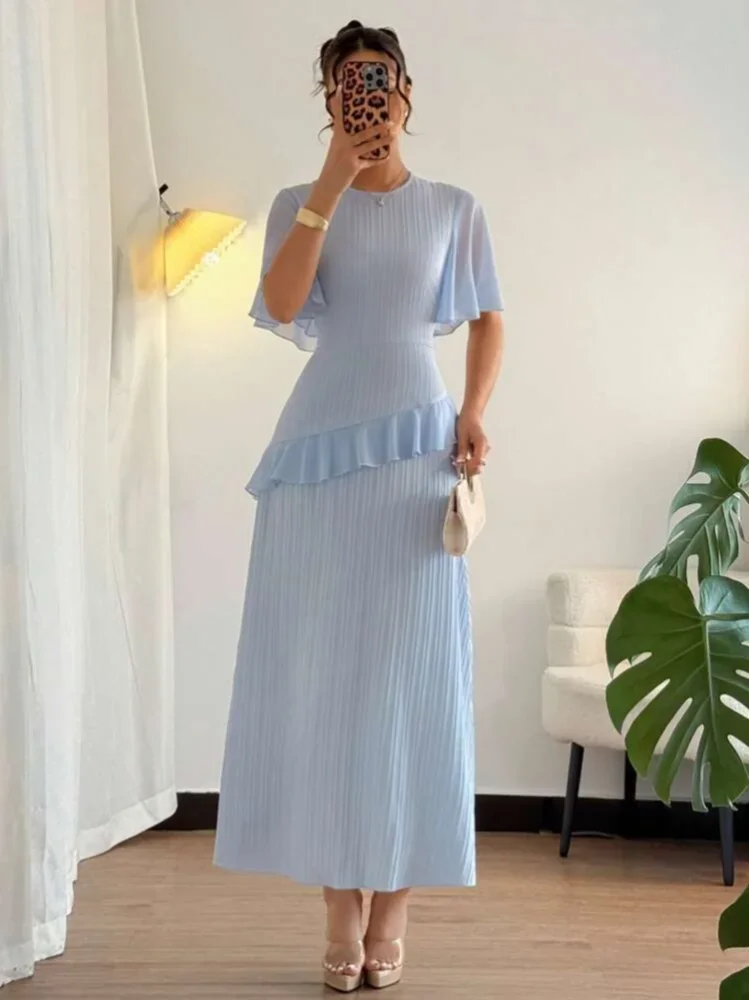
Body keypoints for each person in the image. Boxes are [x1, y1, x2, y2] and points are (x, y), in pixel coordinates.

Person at [214, 19, 505, 992]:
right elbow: (282, 306)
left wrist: (473, 412)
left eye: (377, 80)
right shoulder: (299, 202)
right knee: (327, 678)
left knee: (414, 678)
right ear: (330, 99)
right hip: (318, 460)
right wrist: (331, 184)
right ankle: (341, 905)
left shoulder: (454, 207)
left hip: (416, 455)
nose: (366, 96)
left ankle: (398, 905)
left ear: (405, 91)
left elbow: (490, 316)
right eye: (347, 84)